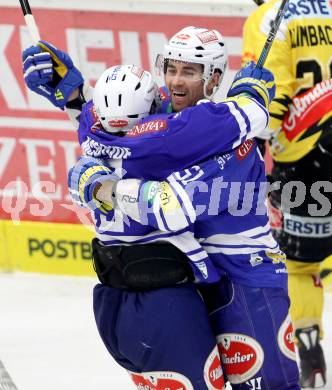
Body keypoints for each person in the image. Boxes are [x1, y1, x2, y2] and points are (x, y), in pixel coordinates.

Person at [22, 26, 300, 389]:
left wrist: (100, 184)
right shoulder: (169, 115)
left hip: (247, 282)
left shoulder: (226, 140)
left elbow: (143, 156)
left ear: (214, 77)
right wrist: (80, 98)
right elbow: (122, 129)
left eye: (189, 71)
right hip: (193, 282)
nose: (176, 81)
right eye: (171, 69)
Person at [242, 1, 332, 387]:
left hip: (305, 158)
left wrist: (253, 155)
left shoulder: (270, 17)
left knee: (298, 265)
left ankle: (309, 343)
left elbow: (270, 95)